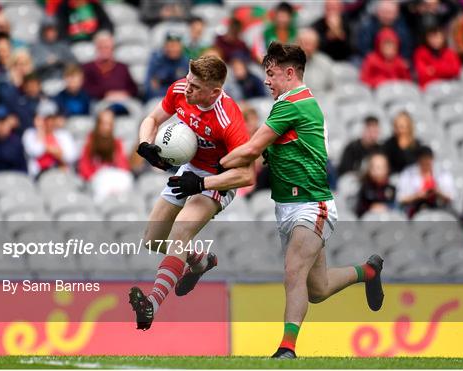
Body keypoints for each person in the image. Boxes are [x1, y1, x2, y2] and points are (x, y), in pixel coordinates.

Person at [220, 42, 384, 359]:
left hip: (311, 204)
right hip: (290, 207)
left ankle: (287, 350)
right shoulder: (292, 104)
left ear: (290, 72)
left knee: (293, 271)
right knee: (318, 288)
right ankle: (368, 271)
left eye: (270, 73)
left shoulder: (291, 104)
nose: (266, 80)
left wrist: (206, 172)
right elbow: (267, 152)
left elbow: (252, 150)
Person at [128, 56, 254, 331]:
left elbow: (246, 175)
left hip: (216, 180)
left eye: (196, 87)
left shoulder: (228, 119)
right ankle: (200, 261)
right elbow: (152, 118)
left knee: (178, 234)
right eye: (188, 80)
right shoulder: (180, 90)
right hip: (188, 171)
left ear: (215, 92)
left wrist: (201, 185)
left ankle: (152, 303)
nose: (188, 89)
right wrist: (146, 144)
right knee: (152, 239)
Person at [22, 99, 77, 177]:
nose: (49, 122)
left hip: (61, 174)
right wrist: (40, 130)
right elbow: (36, 151)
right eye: (46, 119)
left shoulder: (64, 135)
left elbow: (71, 157)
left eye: (52, 119)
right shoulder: (30, 134)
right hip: (39, 176)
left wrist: (48, 149)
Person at [396, 145, 455, 218]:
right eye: (423, 159)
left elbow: (451, 196)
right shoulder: (408, 174)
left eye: (428, 159)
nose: (426, 162)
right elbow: (400, 198)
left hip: (439, 207)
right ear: (418, 160)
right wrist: (417, 196)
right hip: (416, 208)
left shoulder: (442, 173)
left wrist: (437, 192)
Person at [82, 31, 137, 101]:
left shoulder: (122, 67)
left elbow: (133, 89)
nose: (104, 50)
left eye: (107, 47)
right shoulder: (88, 68)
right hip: (99, 103)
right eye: (101, 47)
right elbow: (86, 89)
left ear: (113, 48)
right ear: (96, 48)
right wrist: (106, 94)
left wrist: (124, 93)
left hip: (123, 102)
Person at [78, 109, 129, 181]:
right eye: (103, 123)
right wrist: (95, 179)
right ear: (97, 124)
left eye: (109, 124)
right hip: (94, 182)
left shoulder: (117, 144)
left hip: (113, 182)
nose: (106, 128)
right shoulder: (89, 143)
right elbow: (84, 168)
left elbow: (123, 168)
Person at [144, 32, 190, 100]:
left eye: (176, 45)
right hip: (158, 99)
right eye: (171, 45)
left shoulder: (186, 62)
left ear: (181, 47)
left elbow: (189, 88)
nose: (173, 49)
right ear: (165, 46)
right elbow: (149, 87)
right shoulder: (156, 61)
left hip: (180, 99)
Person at [414, 24, 461, 88]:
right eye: (431, 37)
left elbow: (456, 70)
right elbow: (422, 74)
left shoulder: (450, 52)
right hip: (429, 88)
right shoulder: (420, 52)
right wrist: (445, 69)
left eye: (437, 37)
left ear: (443, 38)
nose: (435, 40)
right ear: (426, 38)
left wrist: (433, 69)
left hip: (449, 87)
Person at [30, 16, 76, 80]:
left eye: (53, 30)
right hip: (43, 81)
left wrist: (59, 61)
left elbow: (74, 63)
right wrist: (46, 63)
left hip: (63, 81)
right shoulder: (36, 47)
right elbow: (31, 67)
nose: (50, 33)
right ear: (42, 31)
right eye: (48, 31)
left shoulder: (63, 45)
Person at [355, 152, 396, 218]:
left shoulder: (391, 188)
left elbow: (395, 208)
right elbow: (359, 210)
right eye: (376, 167)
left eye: (382, 167)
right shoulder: (365, 188)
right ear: (370, 170)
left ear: (388, 169)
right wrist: (370, 208)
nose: (379, 171)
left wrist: (385, 207)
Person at [297, 28, 334, 95]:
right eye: (305, 44)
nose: (308, 48)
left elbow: (333, 89)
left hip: (321, 103)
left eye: (312, 44)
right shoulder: (286, 64)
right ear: (297, 44)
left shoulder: (325, 63)